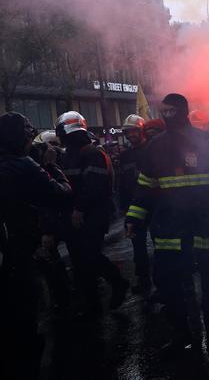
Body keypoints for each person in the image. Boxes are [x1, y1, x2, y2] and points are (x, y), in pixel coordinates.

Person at [126, 94, 209, 348]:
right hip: (169, 228)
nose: (167, 115)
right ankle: (181, 333)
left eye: (171, 110)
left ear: (183, 111)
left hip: (202, 223)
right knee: (170, 284)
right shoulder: (156, 146)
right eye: (163, 110)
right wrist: (134, 217)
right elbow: (145, 187)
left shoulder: (203, 141)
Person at [0, 112, 72, 379]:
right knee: (25, 322)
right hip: (18, 255)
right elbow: (62, 194)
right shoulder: (24, 165)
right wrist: (52, 166)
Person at [56, 110, 129, 315]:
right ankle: (90, 302)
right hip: (76, 215)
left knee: (89, 256)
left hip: (92, 214)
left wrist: (79, 208)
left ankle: (117, 281)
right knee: (79, 260)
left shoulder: (91, 153)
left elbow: (93, 186)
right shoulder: (69, 155)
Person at [118, 114, 151, 293]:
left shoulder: (152, 150)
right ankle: (143, 279)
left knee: (160, 242)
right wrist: (124, 207)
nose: (131, 135)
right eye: (128, 132)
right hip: (134, 206)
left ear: (141, 131)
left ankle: (166, 280)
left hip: (153, 203)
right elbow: (123, 183)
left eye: (134, 131)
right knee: (138, 245)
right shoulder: (125, 156)